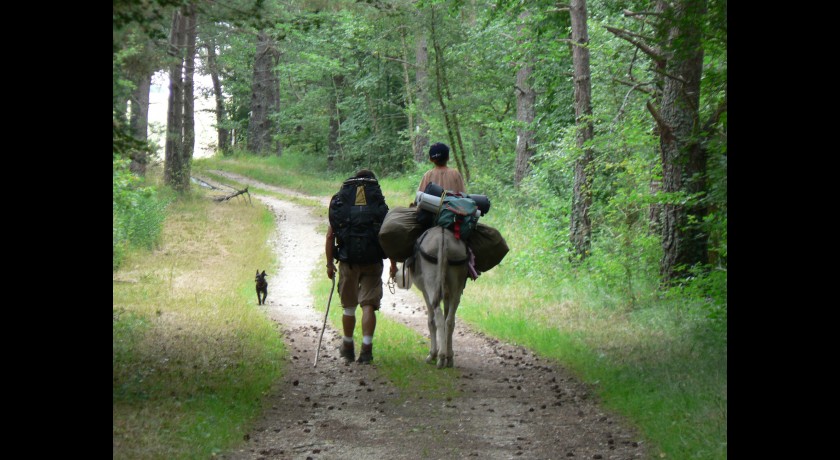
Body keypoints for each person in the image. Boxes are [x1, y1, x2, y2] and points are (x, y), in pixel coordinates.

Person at [325, 169, 398, 364]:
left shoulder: (343, 202)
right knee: (368, 305)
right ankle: (366, 350)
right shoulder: (377, 203)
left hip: (348, 261)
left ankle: (347, 347)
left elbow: (331, 235)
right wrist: (393, 264)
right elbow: (387, 235)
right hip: (373, 261)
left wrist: (329, 263)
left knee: (349, 307)